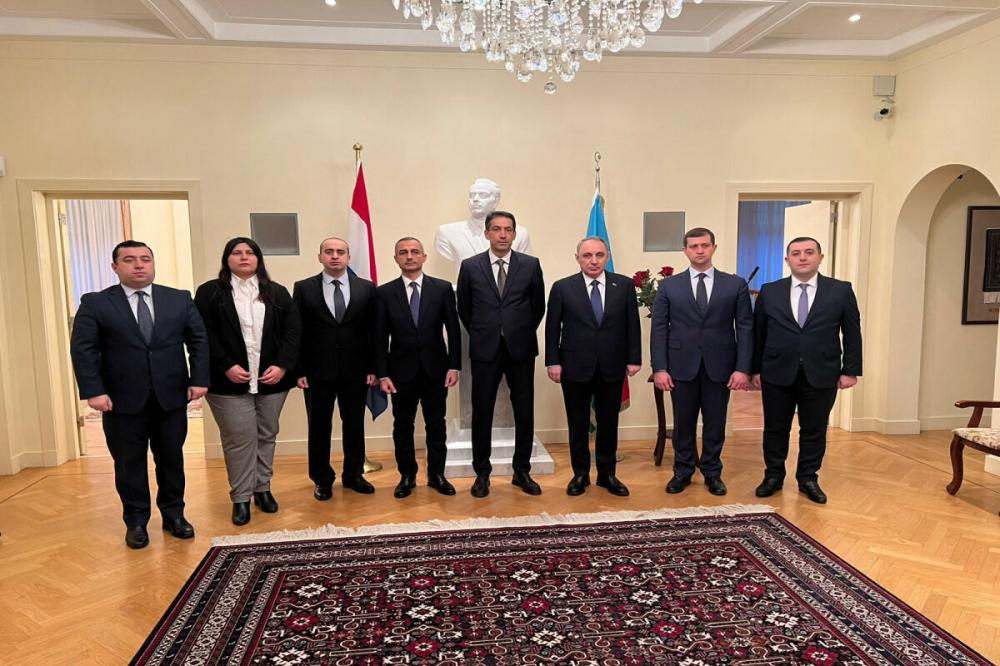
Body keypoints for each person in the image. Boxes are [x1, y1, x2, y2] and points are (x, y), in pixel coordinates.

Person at [70, 240, 208, 549]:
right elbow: (83, 350)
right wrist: (94, 391)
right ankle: (135, 521)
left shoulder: (178, 299)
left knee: (171, 460)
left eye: (145, 259)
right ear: (115, 267)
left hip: (170, 397)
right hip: (121, 401)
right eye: (130, 259)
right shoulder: (96, 303)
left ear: (153, 264)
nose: (139, 265)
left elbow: (198, 341)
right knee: (128, 463)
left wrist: (199, 379)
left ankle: (174, 515)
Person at [195, 237, 301, 526]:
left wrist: (282, 365)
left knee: (267, 434)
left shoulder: (277, 292)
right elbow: (203, 334)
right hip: (226, 382)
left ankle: (262, 488)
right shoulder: (209, 292)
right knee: (239, 439)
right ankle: (240, 497)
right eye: (237, 253)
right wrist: (226, 365)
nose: (244, 257)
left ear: (258, 259)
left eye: (250, 252)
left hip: (272, 380)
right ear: (227, 259)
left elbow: (293, 332)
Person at [751, 236, 862, 504]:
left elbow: (852, 332)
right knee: (775, 428)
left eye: (809, 252)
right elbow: (758, 334)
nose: (802, 257)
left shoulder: (840, 290)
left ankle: (808, 478)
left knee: (814, 429)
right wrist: (754, 370)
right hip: (777, 372)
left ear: (820, 257)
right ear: (787, 259)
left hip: (822, 372)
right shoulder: (770, 291)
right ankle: (773, 476)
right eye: (796, 253)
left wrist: (850, 370)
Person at [650, 227, 752, 496]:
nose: (699, 250)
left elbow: (745, 328)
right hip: (680, 366)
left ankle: (712, 473)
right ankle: (682, 472)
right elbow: (659, 329)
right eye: (693, 246)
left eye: (705, 245)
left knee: (715, 423)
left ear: (713, 248)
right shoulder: (669, 286)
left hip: (721, 366)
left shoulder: (735, 285)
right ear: (685, 250)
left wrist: (742, 368)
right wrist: (660, 368)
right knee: (683, 423)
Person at [457, 211, 545, 498]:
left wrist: (517, 330)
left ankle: (522, 471)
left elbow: (538, 306)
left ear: (514, 234)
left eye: (508, 229)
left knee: (524, 411)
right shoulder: (470, 266)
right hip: (485, 350)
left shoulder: (530, 265)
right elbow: (464, 308)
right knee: (482, 412)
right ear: (487, 234)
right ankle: (482, 474)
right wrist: (487, 331)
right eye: (496, 229)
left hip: (521, 349)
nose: (503, 234)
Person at [545, 237, 641, 496]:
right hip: (574, 366)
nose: (594, 260)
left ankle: (607, 475)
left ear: (607, 257)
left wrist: (634, 358)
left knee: (608, 424)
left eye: (599, 255)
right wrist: (552, 361)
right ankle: (580, 474)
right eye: (587, 255)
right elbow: (553, 328)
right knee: (577, 424)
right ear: (577, 258)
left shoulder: (623, 285)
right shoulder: (562, 287)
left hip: (612, 365)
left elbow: (632, 324)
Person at [375, 237, 461, 498]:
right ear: (396, 259)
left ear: (424, 257)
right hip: (400, 373)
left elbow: (453, 330)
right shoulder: (384, 293)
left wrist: (454, 366)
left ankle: (437, 475)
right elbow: (379, 337)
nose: (409, 256)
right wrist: (382, 373)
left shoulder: (442, 288)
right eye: (403, 252)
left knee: (436, 425)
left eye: (415, 252)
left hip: (436, 370)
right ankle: (407, 475)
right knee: (403, 426)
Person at [293, 237, 377, 500]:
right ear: (320, 257)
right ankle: (322, 479)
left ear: (348, 257)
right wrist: (299, 370)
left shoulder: (366, 288)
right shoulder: (304, 288)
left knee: (354, 425)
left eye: (340, 252)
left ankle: (354, 475)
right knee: (319, 427)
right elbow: (297, 332)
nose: (335, 256)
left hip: (356, 370)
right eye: (328, 252)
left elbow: (373, 331)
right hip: (317, 372)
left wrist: (373, 367)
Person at [434, 178, 532, 264]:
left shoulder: (521, 234)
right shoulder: (447, 232)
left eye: (483, 195)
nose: (475, 199)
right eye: (472, 195)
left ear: (496, 201)